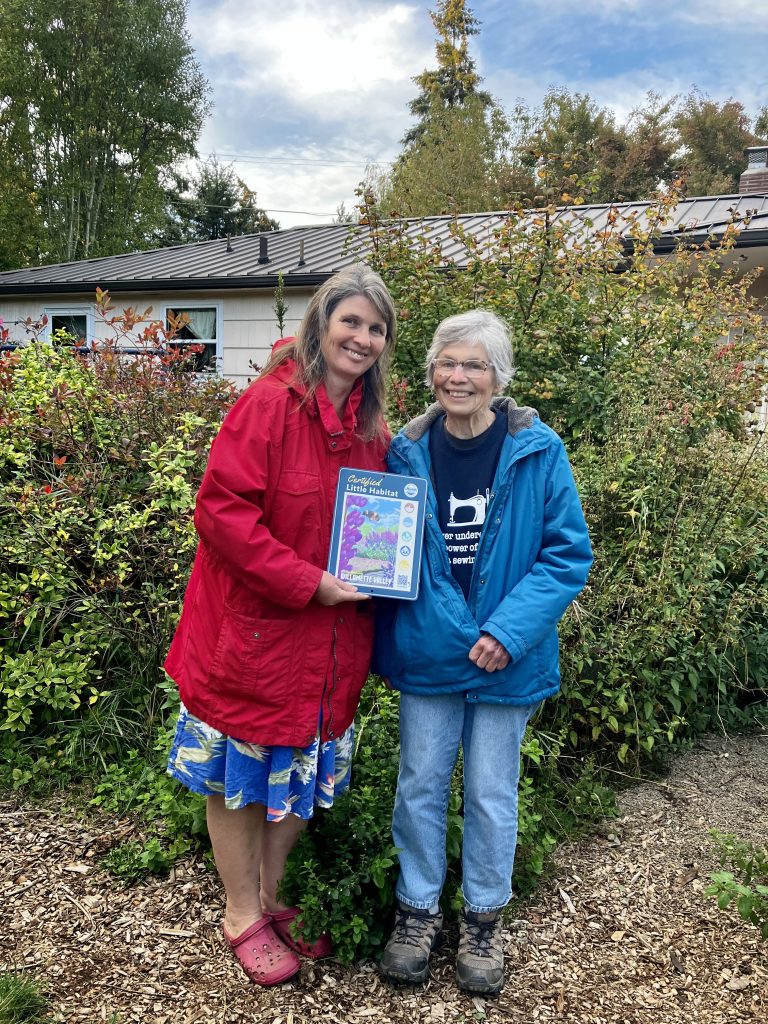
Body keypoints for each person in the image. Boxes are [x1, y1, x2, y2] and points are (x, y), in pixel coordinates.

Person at [164, 264, 397, 987]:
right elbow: (221, 513)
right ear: (321, 324)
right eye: (350, 321)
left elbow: (383, 522)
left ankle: (273, 894)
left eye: (375, 327)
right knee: (239, 778)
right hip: (258, 634)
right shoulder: (268, 405)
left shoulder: (372, 428)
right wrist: (308, 582)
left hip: (330, 642)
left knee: (299, 771)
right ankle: (239, 913)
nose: (361, 337)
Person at [376, 310, 592, 996]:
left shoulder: (538, 449)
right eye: (447, 362)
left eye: (474, 365)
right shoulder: (405, 450)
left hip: (509, 656)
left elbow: (566, 555)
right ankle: (416, 914)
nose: (458, 376)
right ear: (431, 370)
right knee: (419, 786)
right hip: (430, 652)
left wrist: (506, 632)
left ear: (499, 377)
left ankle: (482, 922)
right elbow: (387, 555)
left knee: (494, 794)